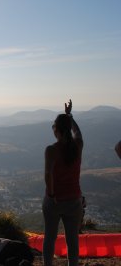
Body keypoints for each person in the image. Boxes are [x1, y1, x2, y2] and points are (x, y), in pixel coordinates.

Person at [42, 99, 83, 266]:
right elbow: (78, 132)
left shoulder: (51, 150)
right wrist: (69, 116)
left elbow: (48, 174)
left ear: (56, 130)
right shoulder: (78, 146)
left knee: (50, 237)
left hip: (55, 200)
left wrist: (51, 195)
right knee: (72, 240)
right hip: (74, 200)